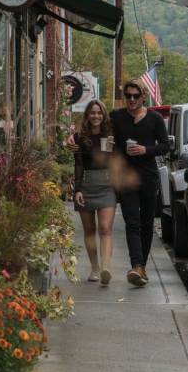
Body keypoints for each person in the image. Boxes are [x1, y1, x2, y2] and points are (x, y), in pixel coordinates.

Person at [67, 81, 169, 287]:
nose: (132, 99)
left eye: (136, 96)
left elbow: (165, 146)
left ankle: (142, 267)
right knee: (132, 223)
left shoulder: (155, 119)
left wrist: (146, 150)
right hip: (124, 179)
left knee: (147, 223)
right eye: (129, 95)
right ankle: (136, 265)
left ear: (143, 96)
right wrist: (73, 137)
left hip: (148, 178)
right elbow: (95, 124)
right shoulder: (117, 117)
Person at [72, 100, 117, 286]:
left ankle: (106, 268)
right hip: (87, 185)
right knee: (89, 230)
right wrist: (77, 190)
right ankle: (95, 268)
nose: (96, 116)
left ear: (104, 115)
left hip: (106, 185)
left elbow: (111, 161)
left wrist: (113, 149)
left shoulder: (111, 135)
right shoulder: (80, 137)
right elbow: (79, 164)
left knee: (105, 228)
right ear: (87, 116)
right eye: (92, 113)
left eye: (99, 112)